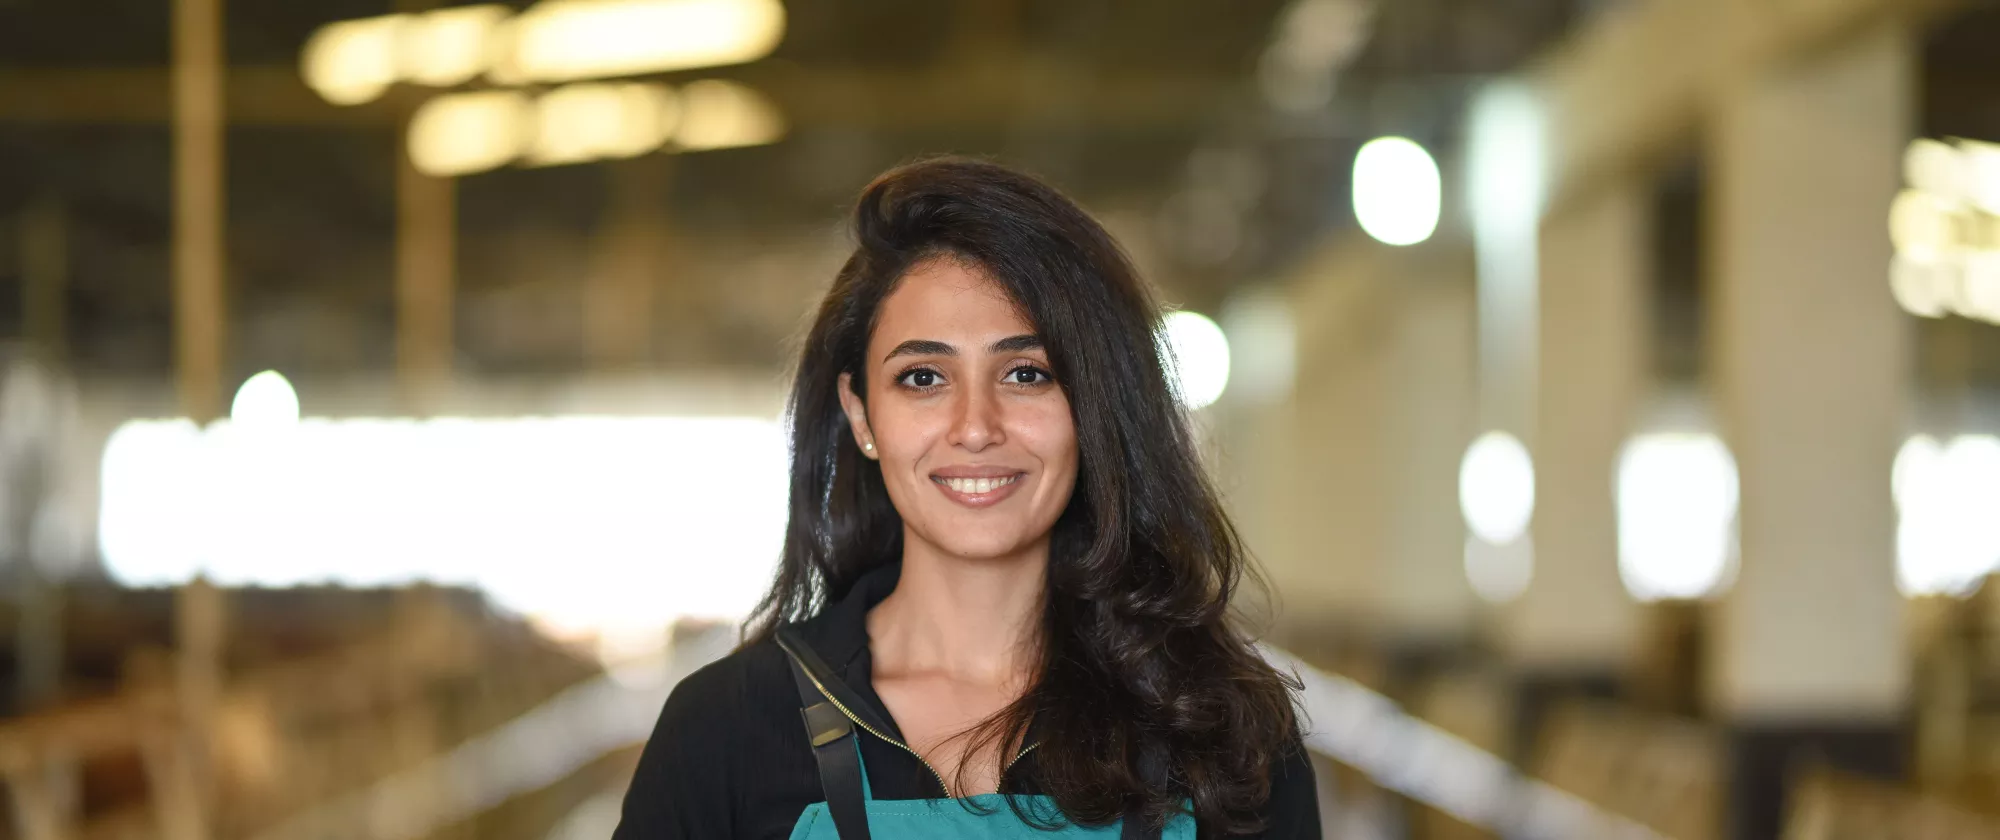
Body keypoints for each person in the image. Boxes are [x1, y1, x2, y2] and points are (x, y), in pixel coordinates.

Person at [611, 158, 1319, 839]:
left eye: (1026, 374)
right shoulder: (728, 729)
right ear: (861, 415)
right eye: (923, 378)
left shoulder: (1220, 731)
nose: (976, 428)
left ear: (1093, 407)